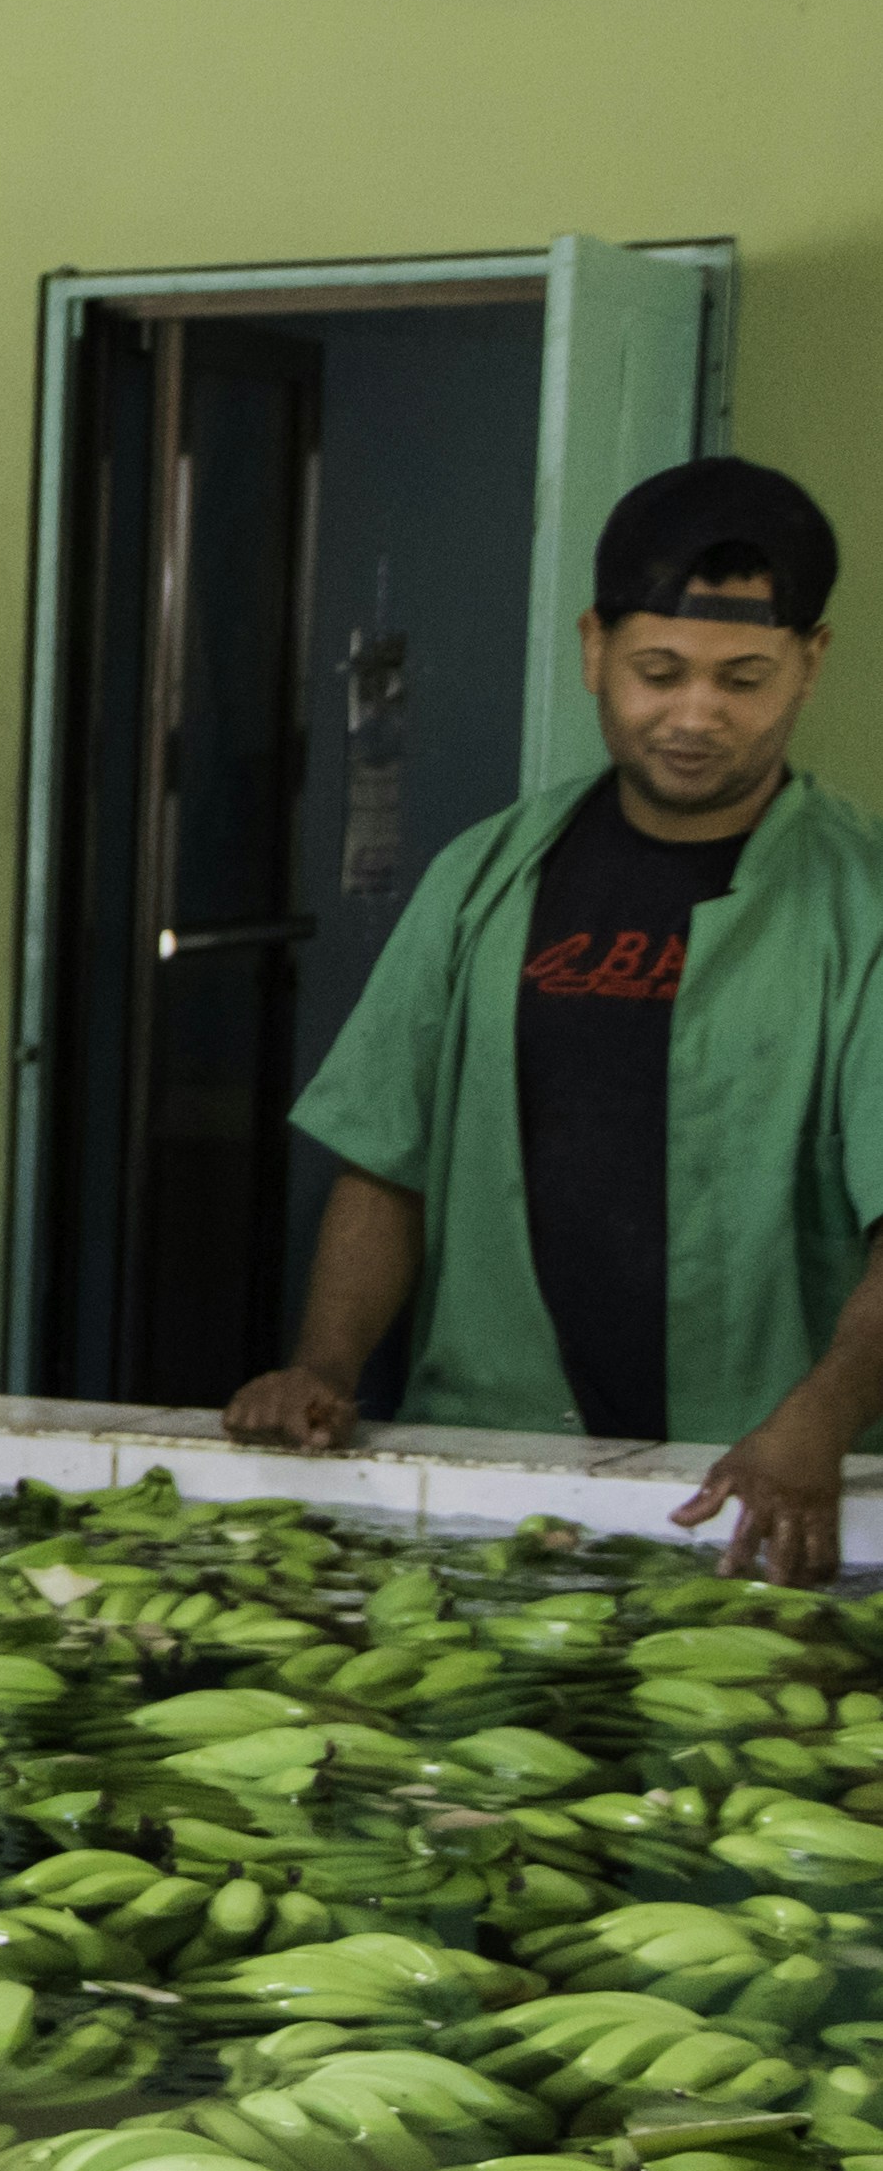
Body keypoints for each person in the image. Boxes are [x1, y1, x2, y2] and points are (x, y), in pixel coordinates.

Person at [230, 457, 883, 1579]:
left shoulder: (863, 907)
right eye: (658, 671)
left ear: (809, 665)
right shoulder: (483, 878)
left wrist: (817, 1421)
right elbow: (390, 1158)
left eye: (743, 679)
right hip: (496, 1473)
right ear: (594, 647)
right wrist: (324, 1365)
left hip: (767, 1488)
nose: (693, 715)